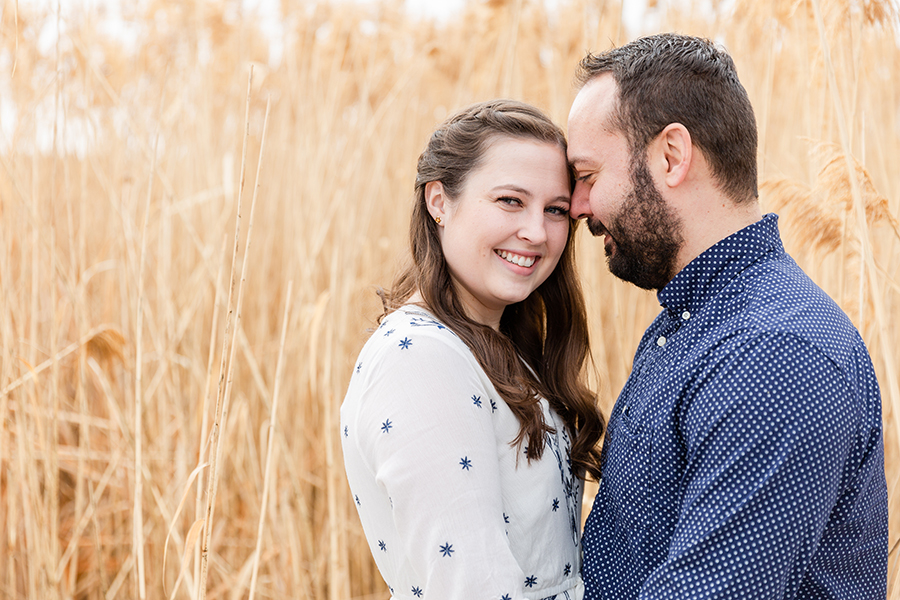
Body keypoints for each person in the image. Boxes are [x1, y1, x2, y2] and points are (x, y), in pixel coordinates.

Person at [565, 33, 887, 600]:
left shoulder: (778, 353)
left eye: (588, 175)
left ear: (671, 156)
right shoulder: (689, 324)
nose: (578, 206)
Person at [341, 99, 605, 600]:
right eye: (510, 201)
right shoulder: (420, 361)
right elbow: (471, 587)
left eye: (555, 210)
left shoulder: (500, 348)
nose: (535, 232)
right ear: (439, 201)